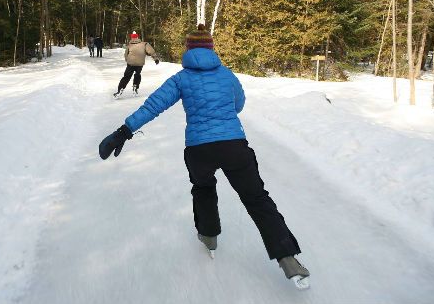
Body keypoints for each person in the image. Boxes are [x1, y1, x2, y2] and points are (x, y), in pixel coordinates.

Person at [98, 24, 310, 289]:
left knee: (203, 187)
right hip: (234, 145)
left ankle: (209, 236)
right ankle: (288, 258)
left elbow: (153, 105)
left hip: (199, 149)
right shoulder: (226, 75)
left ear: (188, 50)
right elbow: (239, 104)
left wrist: (123, 132)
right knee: (257, 199)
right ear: (211, 48)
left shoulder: (181, 78)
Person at [112, 31, 159, 97]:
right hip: (140, 64)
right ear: (137, 37)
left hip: (130, 64)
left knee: (126, 77)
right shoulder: (144, 44)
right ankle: (135, 87)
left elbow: (126, 55)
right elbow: (151, 51)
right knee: (137, 74)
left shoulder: (129, 45)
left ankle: (120, 90)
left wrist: (128, 61)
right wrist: (156, 59)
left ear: (131, 38)